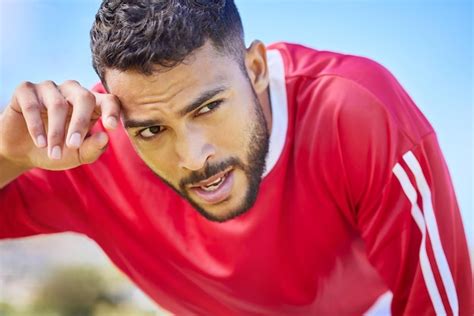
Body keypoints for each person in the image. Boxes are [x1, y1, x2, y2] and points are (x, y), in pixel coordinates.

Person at [0, 0, 471, 314]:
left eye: (207, 108)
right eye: (153, 130)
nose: (192, 156)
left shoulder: (358, 114)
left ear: (257, 68)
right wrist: (8, 155)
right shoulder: (90, 149)